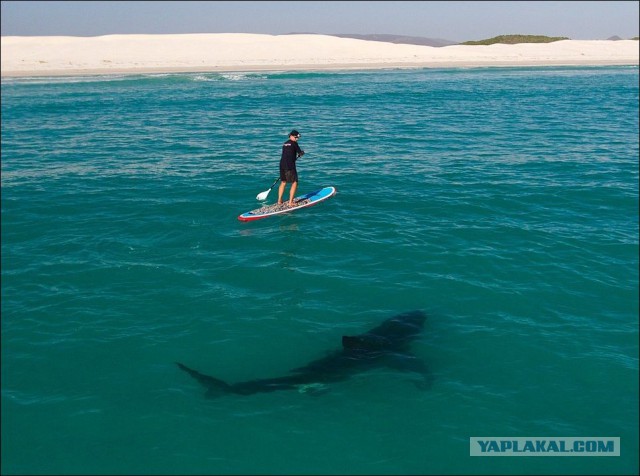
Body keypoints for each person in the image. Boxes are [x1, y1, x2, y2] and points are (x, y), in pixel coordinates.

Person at [277, 130, 305, 206]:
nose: (297, 139)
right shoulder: (295, 144)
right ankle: (290, 202)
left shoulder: (285, 143)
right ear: (291, 136)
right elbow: (300, 153)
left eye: (298, 138)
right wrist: (301, 153)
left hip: (281, 164)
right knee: (295, 182)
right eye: (296, 137)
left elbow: (288, 153)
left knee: (283, 182)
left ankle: (279, 201)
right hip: (289, 165)